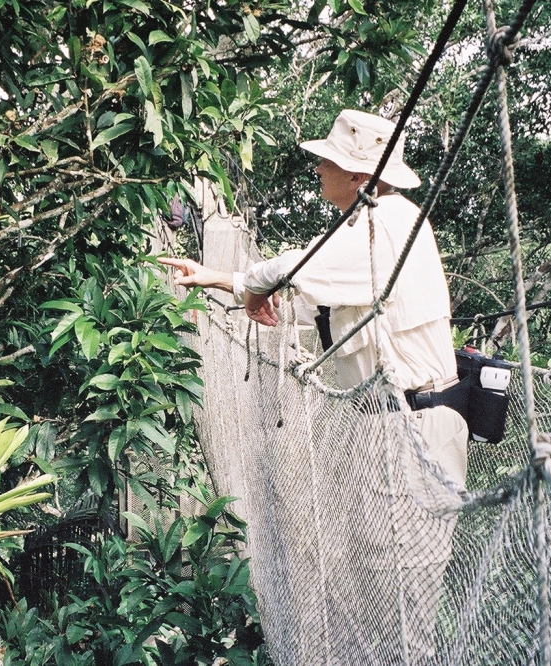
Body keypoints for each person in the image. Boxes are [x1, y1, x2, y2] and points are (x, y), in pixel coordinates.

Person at [160, 109, 469, 665]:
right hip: (396, 424)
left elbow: (291, 269)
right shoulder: (369, 225)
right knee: (380, 573)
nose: (319, 169)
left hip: (412, 427)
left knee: (401, 586)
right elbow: (316, 294)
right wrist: (226, 281)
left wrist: (252, 287)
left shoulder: (382, 226)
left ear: (357, 176)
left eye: (328, 160)